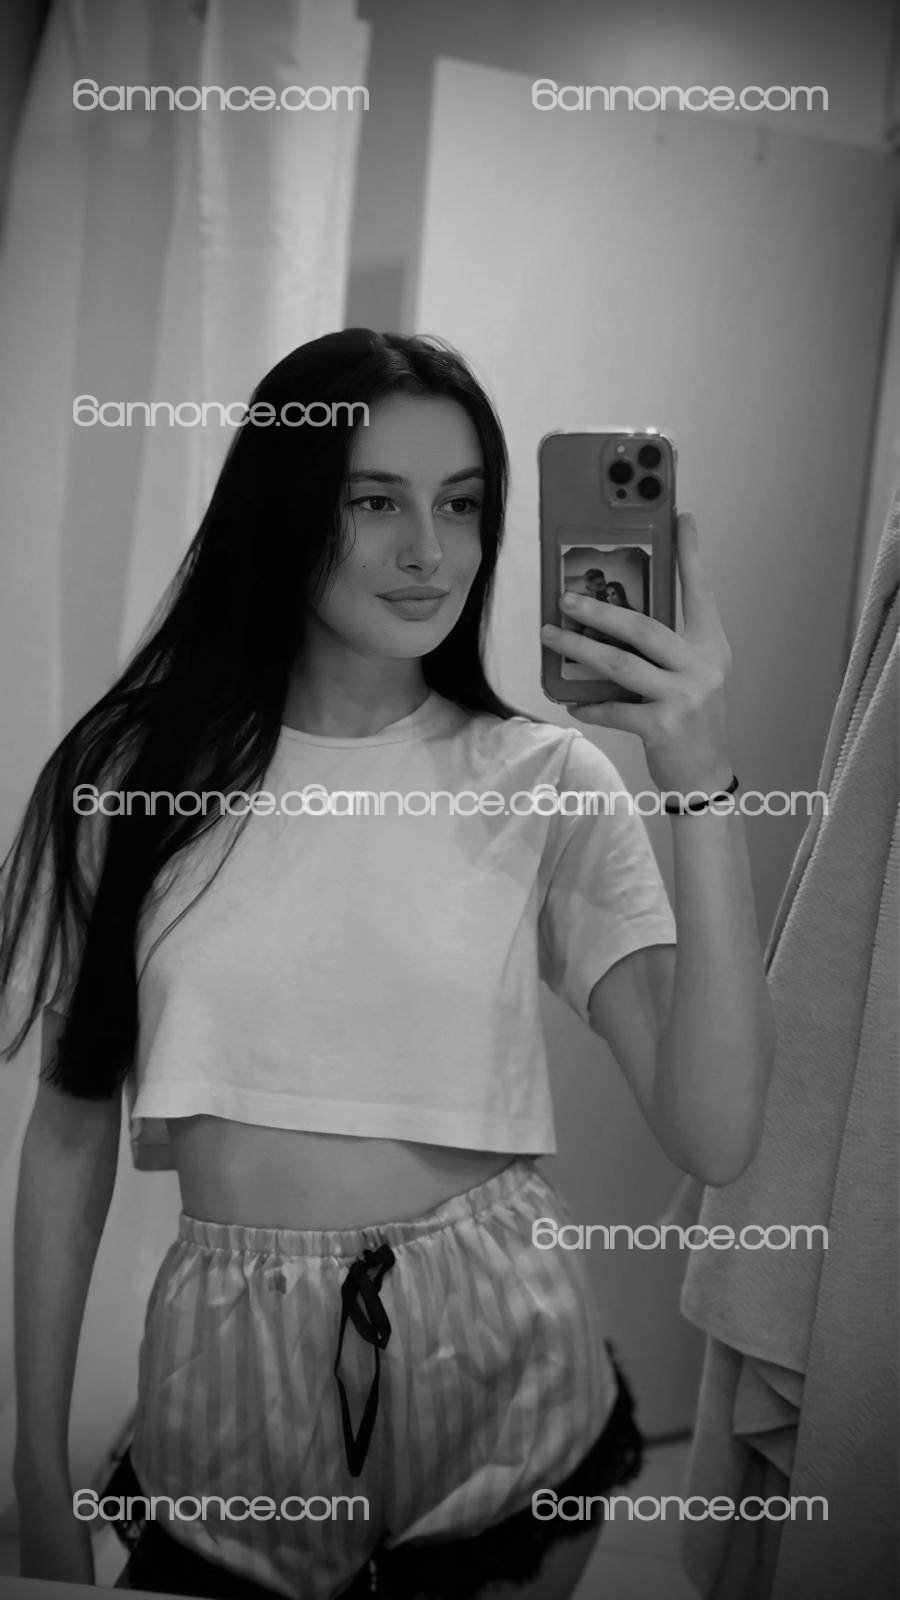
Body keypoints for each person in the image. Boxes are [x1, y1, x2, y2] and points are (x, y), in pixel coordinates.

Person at [3, 329, 775, 1600]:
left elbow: (718, 1132)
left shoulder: (547, 779)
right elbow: (68, 1134)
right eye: (375, 502)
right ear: (284, 507)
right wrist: (41, 1478)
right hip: (230, 1371)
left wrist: (701, 782)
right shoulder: (130, 776)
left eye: (462, 505)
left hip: (503, 1358)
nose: (431, 552)